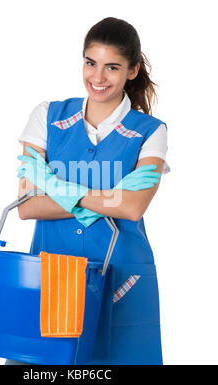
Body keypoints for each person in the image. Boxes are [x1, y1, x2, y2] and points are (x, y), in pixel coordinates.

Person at [11, 17, 170, 365]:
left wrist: (53, 185)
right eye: (90, 63)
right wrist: (110, 196)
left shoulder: (151, 131)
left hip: (122, 279)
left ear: (132, 70)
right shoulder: (47, 117)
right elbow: (27, 206)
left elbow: (133, 208)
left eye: (112, 67)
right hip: (52, 272)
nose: (97, 78)